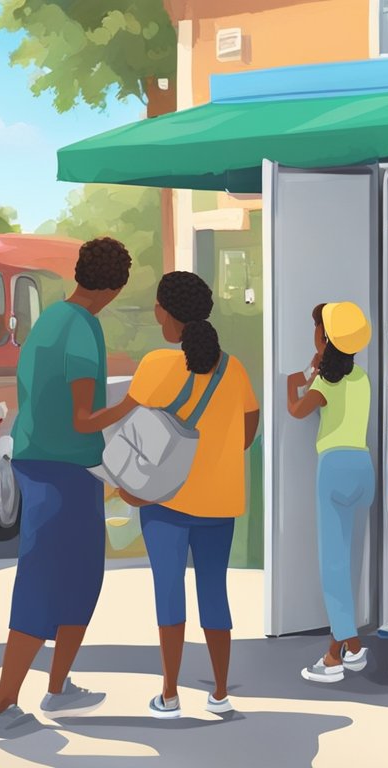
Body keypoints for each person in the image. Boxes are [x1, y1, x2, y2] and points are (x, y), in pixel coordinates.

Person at [0, 238, 137, 738]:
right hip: (62, 470)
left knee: (82, 577)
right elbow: (85, 418)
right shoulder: (84, 330)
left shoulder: (49, 319)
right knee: (46, 582)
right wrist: (136, 402)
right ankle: (2, 706)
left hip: (46, 463)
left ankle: (59, 687)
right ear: (115, 287)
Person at [115, 272, 259, 719]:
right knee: (215, 592)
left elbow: (124, 426)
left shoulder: (156, 365)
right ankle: (219, 692)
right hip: (220, 504)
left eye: (157, 305)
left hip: (165, 503)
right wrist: (211, 459)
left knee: (168, 590)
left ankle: (170, 694)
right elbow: (248, 431)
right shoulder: (232, 367)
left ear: (165, 312)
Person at [287, 302, 373, 684]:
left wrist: (297, 377)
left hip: (334, 469)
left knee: (332, 565)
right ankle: (343, 652)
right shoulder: (362, 379)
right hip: (363, 468)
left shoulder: (324, 384)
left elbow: (296, 410)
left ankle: (342, 651)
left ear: (325, 338)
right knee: (349, 561)